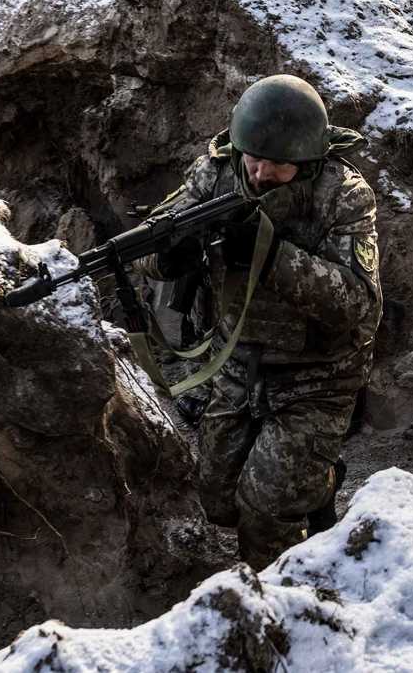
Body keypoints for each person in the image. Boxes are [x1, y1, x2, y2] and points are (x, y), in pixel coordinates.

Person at [136, 74, 381, 569]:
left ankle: (279, 597)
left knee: (265, 515)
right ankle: (313, 482)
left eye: (280, 165)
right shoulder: (215, 174)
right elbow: (149, 243)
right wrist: (170, 254)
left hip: (318, 376)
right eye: (255, 159)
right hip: (238, 362)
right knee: (219, 501)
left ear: (308, 161)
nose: (264, 173)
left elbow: (359, 303)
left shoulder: (344, 195)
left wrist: (271, 258)